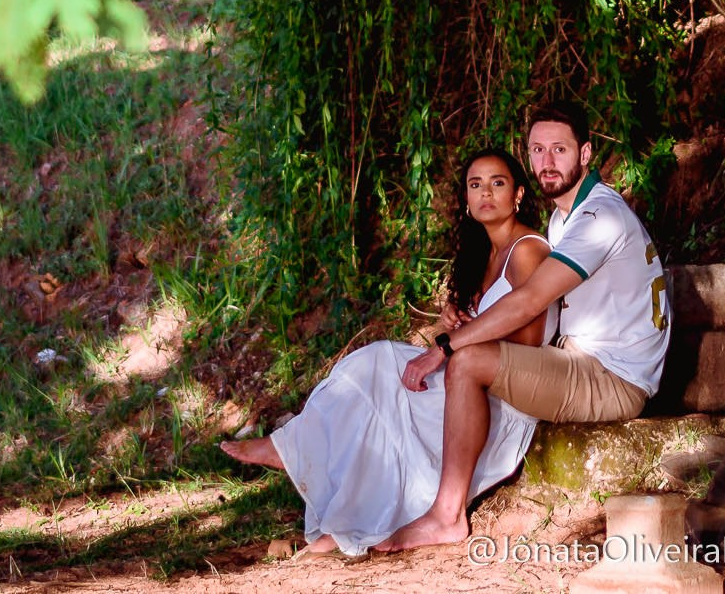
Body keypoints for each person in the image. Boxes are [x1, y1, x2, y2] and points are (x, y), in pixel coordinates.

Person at [217, 148, 558, 556]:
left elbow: (529, 342)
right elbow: (487, 328)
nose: (486, 192)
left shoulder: (527, 250)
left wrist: (457, 342)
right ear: (466, 200)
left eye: (497, 183)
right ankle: (343, 517)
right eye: (475, 184)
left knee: (382, 366)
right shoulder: (482, 255)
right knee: (378, 373)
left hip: (505, 395)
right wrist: (459, 324)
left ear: (518, 194)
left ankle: (297, 452)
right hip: (473, 381)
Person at [373, 99, 671, 552]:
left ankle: (446, 515)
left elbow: (530, 299)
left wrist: (445, 345)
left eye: (560, 150)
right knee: (457, 361)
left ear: (586, 154)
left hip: (614, 378)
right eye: (537, 150)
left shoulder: (599, 217)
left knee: (466, 361)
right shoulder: (564, 216)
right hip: (584, 362)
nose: (546, 162)